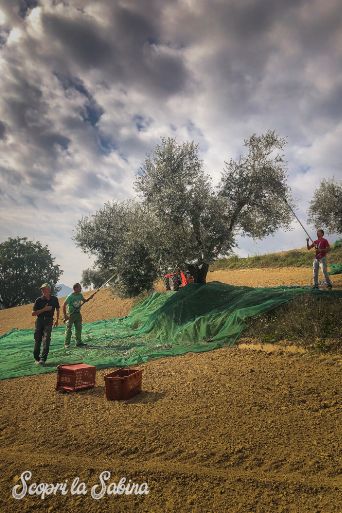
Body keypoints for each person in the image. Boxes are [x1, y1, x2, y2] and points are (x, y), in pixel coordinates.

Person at [32, 283, 60, 365]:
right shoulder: (38, 300)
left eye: (45, 289)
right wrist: (44, 309)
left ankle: (43, 359)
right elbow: (33, 313)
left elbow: (57, 309)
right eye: (42, 289)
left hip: (49, 321)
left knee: (46, 339)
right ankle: (36, 357)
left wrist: (57, 319)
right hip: (39, 321)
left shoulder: (54, 299)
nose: (43, 290)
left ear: (49, 290)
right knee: (37, 339)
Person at [63, 283, 95, 348]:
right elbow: (64, 305)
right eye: (79, 287)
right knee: (69, 329)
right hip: (71, 315)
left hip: (78, 314)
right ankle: (67, 344)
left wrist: (89, 298)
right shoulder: (70, 296)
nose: (81, 288)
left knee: (78, 328)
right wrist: (65, 315)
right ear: (75, 288)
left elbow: (84, 300)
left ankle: (78, 342)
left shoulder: (80, 295)